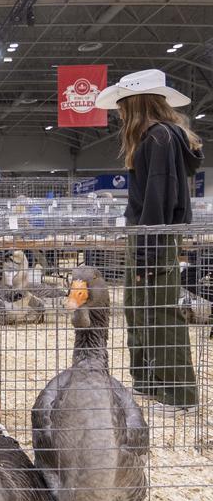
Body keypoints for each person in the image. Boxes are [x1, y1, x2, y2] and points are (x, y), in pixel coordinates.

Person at [95, 68, 203, 415]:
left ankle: (178, 395)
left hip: (151, 236)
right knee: (140, 309)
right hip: (149, 235)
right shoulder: (158, 138)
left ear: (135, 103)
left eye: (123, 105)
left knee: (159, 313)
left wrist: (145, 254)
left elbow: (157, 198)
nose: (119, 114)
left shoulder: (158, 138)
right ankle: (151, 383)